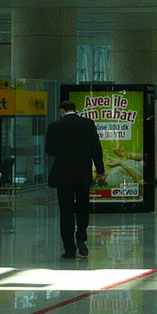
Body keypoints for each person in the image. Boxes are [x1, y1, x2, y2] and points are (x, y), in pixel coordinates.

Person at [45, 99, 105, 259]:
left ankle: (69, 249)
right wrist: (100, 170)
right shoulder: (88, 124)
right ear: (75, 110)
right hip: (82, 174)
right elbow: (96, 149)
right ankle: (81, 237)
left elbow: (49, 150)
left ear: (62, 111)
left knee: (66, 212)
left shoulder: (54, 126)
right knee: (83, 206)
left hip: (63, 175)